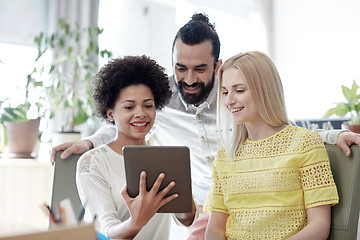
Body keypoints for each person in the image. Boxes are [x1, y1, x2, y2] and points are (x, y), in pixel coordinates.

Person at [51, 13, 359, 239]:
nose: (189, 79)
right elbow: (127, 121)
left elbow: (282, 130)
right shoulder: (160, 97)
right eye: (180, 68)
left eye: (200, 69)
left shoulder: (238, 102)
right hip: (208, 204)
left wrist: (337, 133)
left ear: (217, 66)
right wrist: (89, 142)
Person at [204, 51, 339, 240]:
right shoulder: (224, 156)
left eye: (239, 90)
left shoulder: (306, 144)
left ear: (264, 90)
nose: (229, 100)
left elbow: (319, 225)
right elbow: (215, 228)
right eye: (225, 92)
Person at [76, 55, 197, 240]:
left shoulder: (165, 158)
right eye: (129, 107)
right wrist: (136, 221)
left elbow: (187, 220)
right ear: (110, 114)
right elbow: (109, 232)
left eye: (148, 105)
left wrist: (184, 194)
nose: (140, 113)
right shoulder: (92, 163)